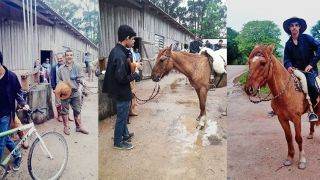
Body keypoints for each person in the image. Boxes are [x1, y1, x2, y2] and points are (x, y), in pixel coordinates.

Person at [102, 25, 140, 150]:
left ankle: (125, 134)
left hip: (118, 91)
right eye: (133, 39)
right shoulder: (120, 55)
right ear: (127, 38)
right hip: (121, 91)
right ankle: (118, 142)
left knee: (123, 115)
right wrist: (135, 75)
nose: (134, 41)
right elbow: (121, 78)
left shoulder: (118, 51)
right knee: (122, 117)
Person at [283, 17, 320, 122]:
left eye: (296, 25)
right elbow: (286, 59)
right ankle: (280, 108)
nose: (294, 27)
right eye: (292, 25)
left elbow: (319, 48)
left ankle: (311, 110)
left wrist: (311, 64)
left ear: (299, 27)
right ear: (289, 28)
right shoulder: (288, 44)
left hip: (309, 70)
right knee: (282, 85)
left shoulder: (307, 38)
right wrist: (289, 66)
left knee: (312, 86)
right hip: (295, 71)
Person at [0, 51, 29, 171]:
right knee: (5, 138)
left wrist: (23, 104)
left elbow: (18, 93)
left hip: (5, 113)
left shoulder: (11, 76)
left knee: (0, 142)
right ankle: (17, 155)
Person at [57, 49, 89, 135]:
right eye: (67, 55)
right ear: (65, 57)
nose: (69, 57)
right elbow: (59, 81)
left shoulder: (77, 66)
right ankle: (66, 127)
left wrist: (83, 81)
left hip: (75, 92)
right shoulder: (60, 69)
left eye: (71, 55)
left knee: (77, 110)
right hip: (65, 93)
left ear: (73, 56)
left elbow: (81, 77)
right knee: (65, 111)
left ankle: (78, 127)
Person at [51, 53, 65, 122]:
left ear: (63, 58)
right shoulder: (54, 67)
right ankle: (59, 115)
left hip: (66, 87)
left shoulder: (67, 66)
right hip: (58, 87)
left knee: (66, 102)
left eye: (61, 58)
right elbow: (52, 78)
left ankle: (66, 115)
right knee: (58, 102)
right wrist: (54, 88)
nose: (59, 60)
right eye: (58, 58)